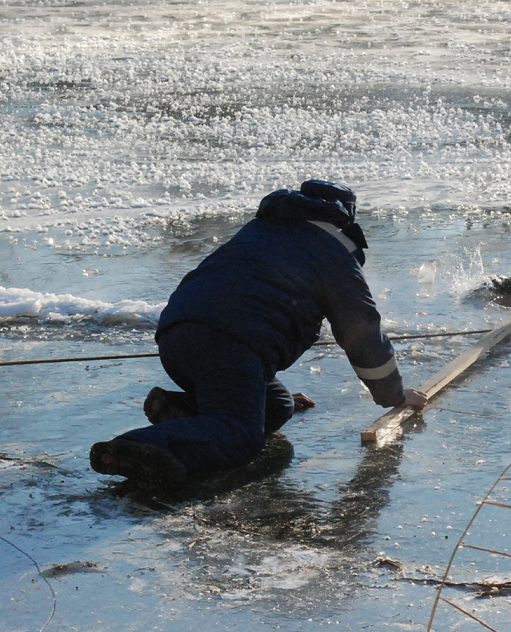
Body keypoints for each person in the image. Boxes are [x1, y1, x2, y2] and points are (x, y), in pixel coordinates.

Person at [91, 180, 427, 490]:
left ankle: (181, 409)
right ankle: (134, 448)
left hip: (176, 335)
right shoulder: (332, 254)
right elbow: (363, 336)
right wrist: (395, 395)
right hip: (228, 344)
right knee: (241, 436)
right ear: (345, 220)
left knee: (276, 405)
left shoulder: (261, 230)